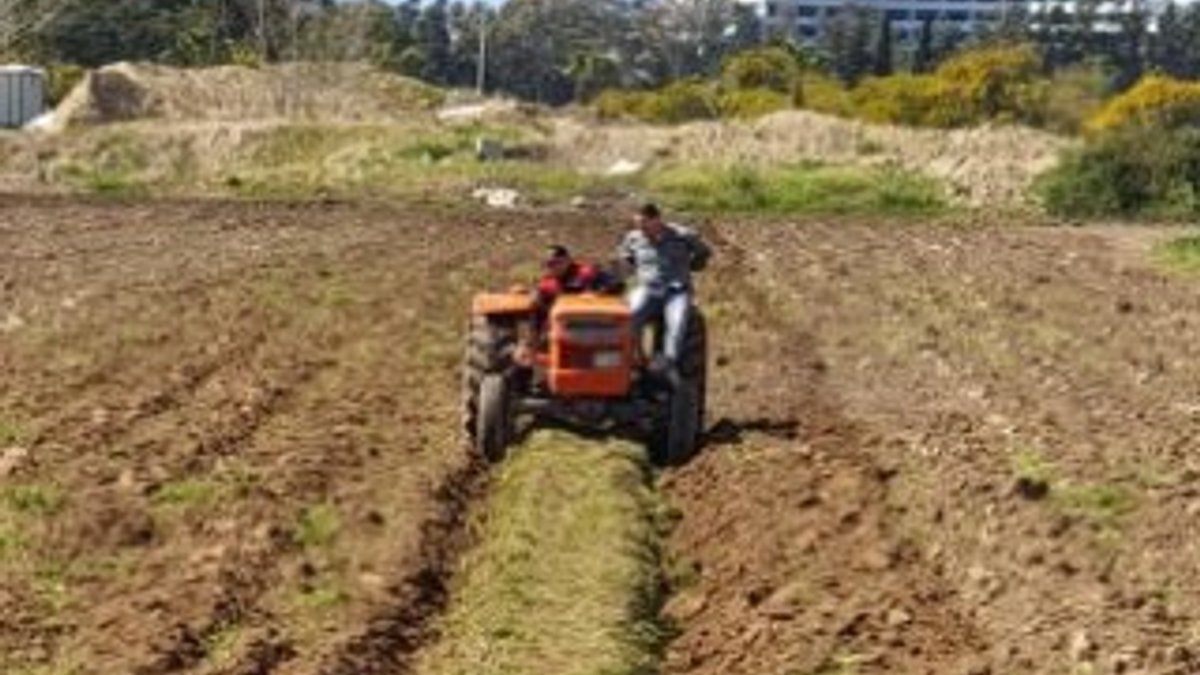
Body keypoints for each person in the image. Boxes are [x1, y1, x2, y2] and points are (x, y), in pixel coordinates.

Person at [618, 203, 711, 379]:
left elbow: (704, 252)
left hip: (676, 290)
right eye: (638, 224)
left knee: (676, 325)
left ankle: (667, 364)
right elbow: (626, 256)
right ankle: (636, 359)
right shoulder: (633, 238)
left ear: (657, 220)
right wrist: (636, 271)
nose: (642, 228)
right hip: (648, 288)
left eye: (645, 223)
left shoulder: (683, 235)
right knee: (629, 317)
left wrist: (691, 266)